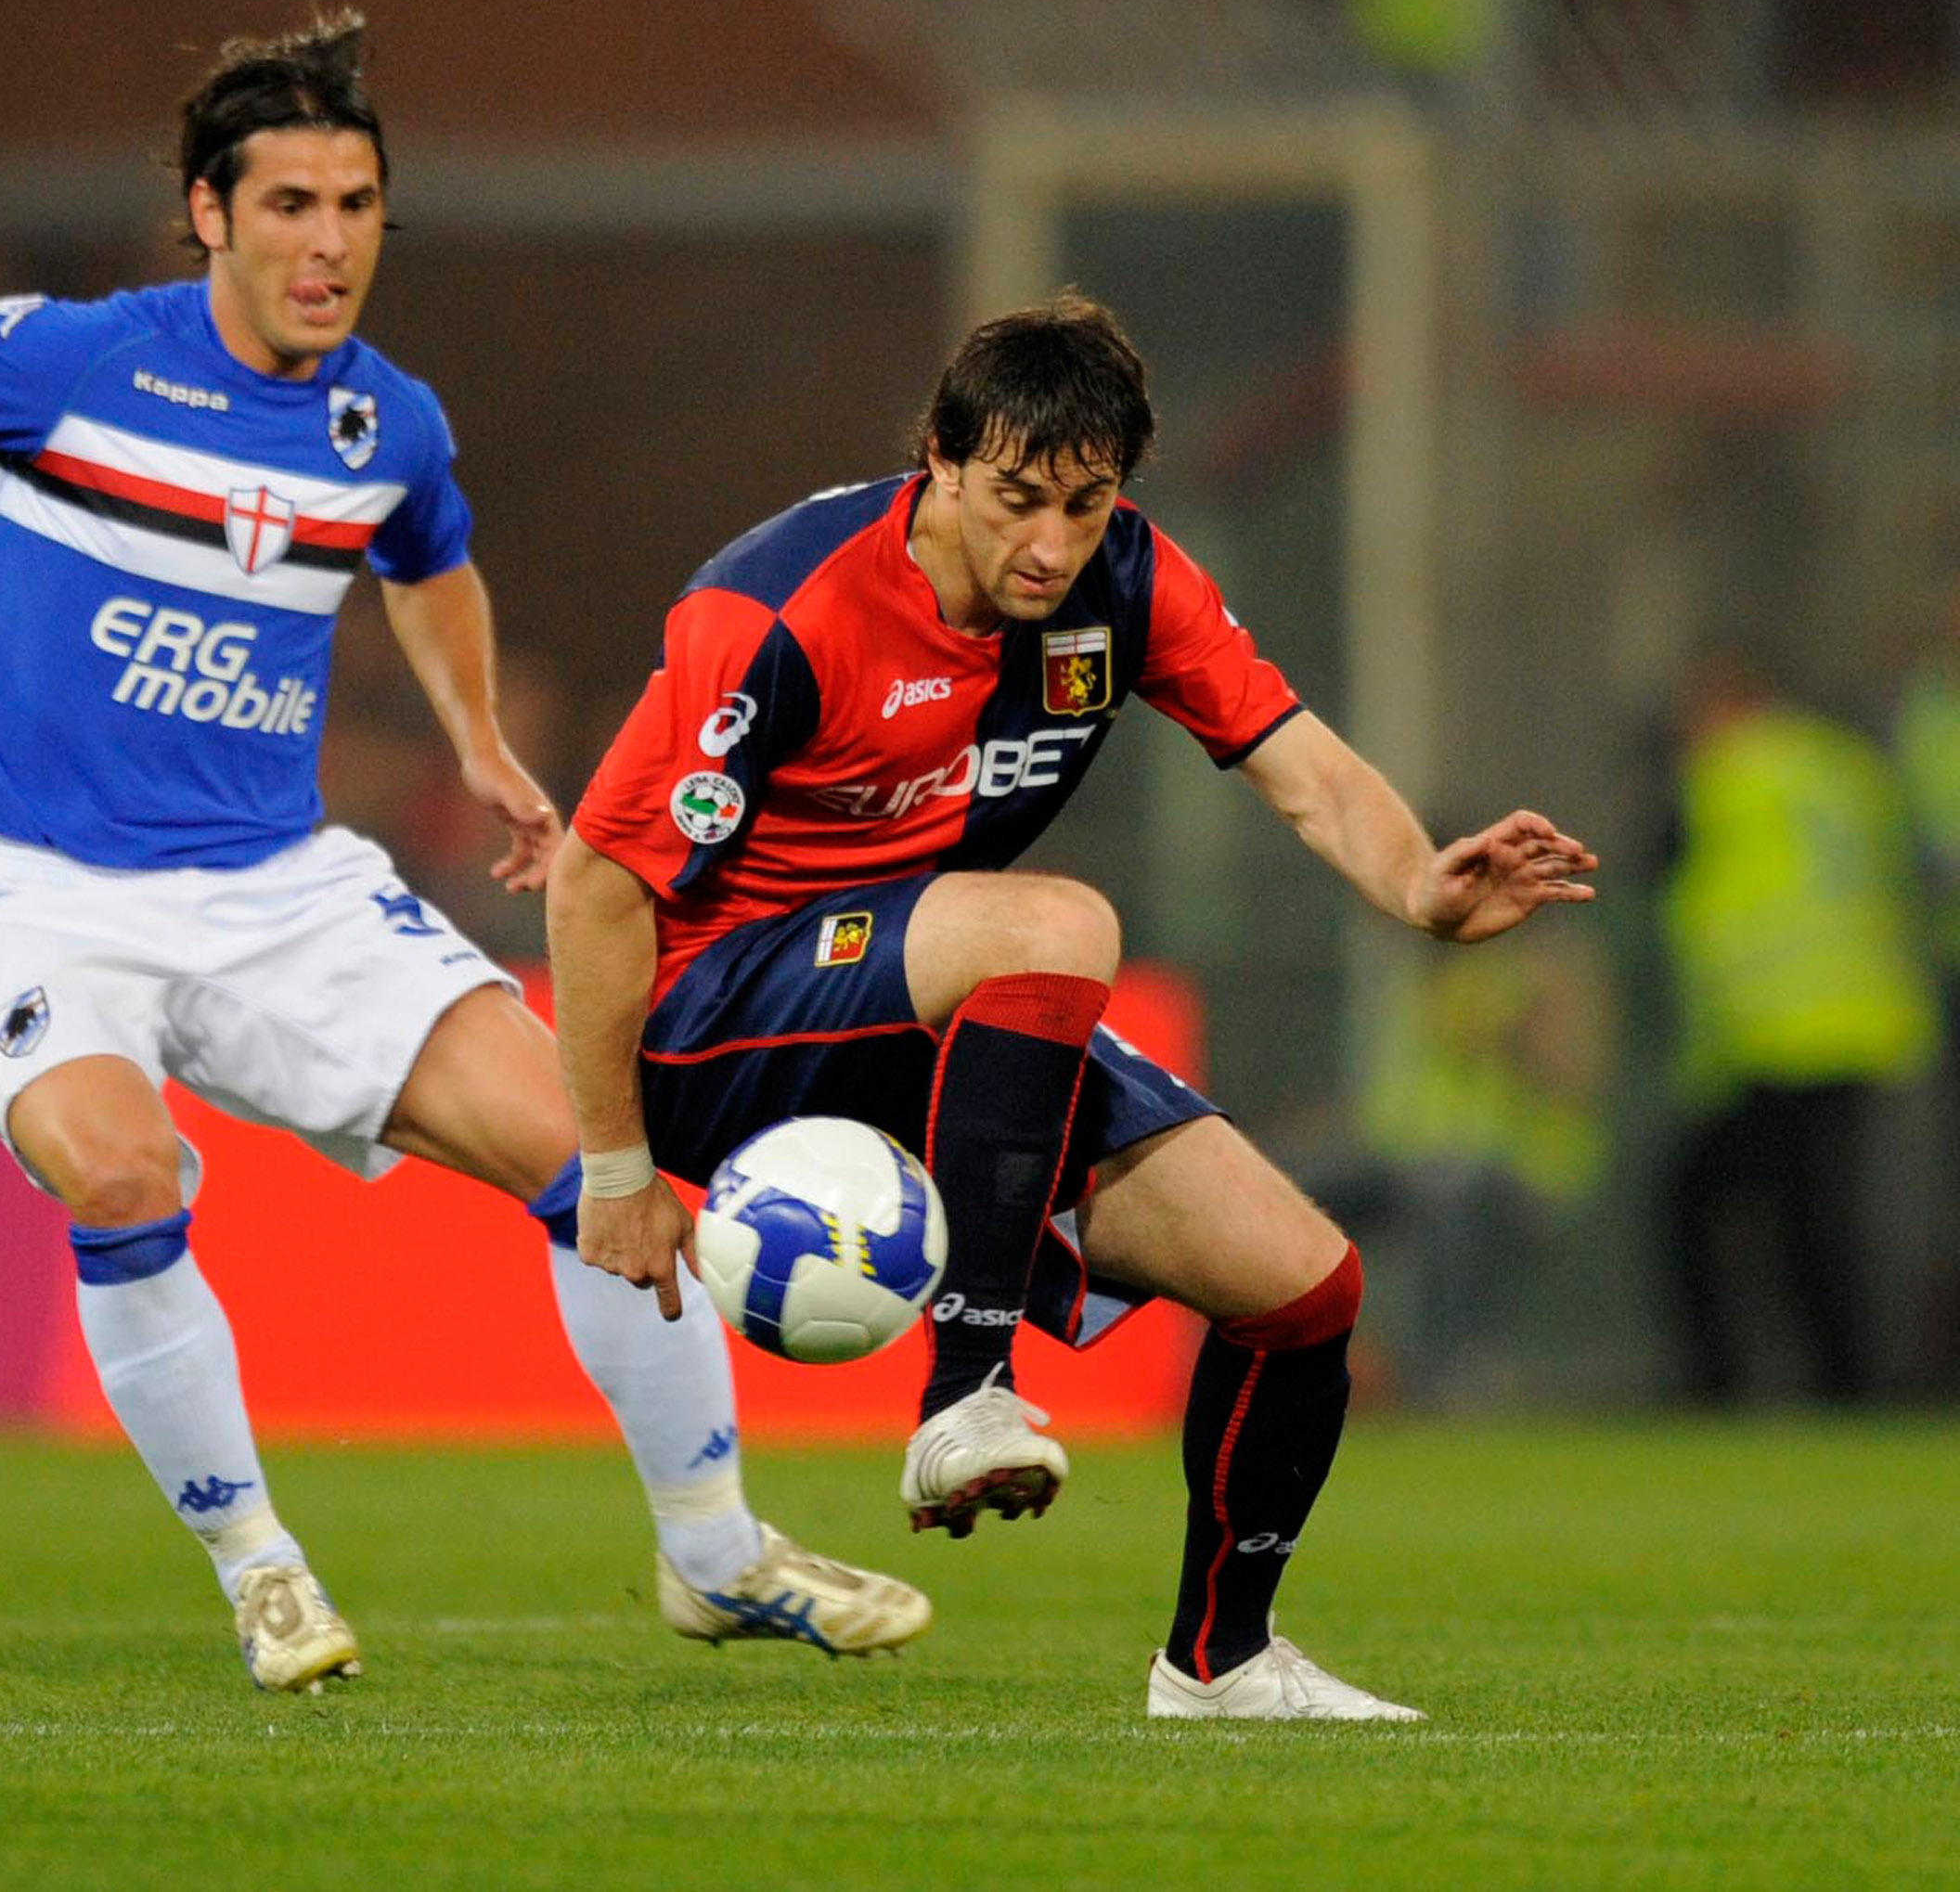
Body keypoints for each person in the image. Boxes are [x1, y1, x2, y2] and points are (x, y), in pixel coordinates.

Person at [0, 13, 923, 1693]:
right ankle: (261, 1567)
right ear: (209, 214)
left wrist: (477, 739)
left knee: (595, 1153)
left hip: (281, 888)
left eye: (356, 207)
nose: (329, 243)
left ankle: (716, 1555)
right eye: (289, 205)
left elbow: (429, 560)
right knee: (122, 1177)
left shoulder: (386, 425)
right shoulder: (66, 363)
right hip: (50, 893)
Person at [548, 292, 1596, 1720]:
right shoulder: (779, 605)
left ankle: (1220, 1662)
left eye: (1087, 503)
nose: (1050, 542)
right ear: (939, 456)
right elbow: (598, 878)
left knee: (1302, 1285)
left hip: (932, 1003)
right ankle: (964, 1390)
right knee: (1059, 920)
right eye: (1016, 498)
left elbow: (1299, 762)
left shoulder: (1129, 582)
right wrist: (613, 1162)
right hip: (719, 1014)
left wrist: (1422, 883)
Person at [1661, 648, 1938, 1404]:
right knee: (1829, 1212)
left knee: (1729, 1204)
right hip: (1866, 1015)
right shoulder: (1848, 767)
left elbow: (1677, 868)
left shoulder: (1731, 770)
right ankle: (1845, 1378)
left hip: (1776, 1026)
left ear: (1729, 703)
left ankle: (1734, 1382)